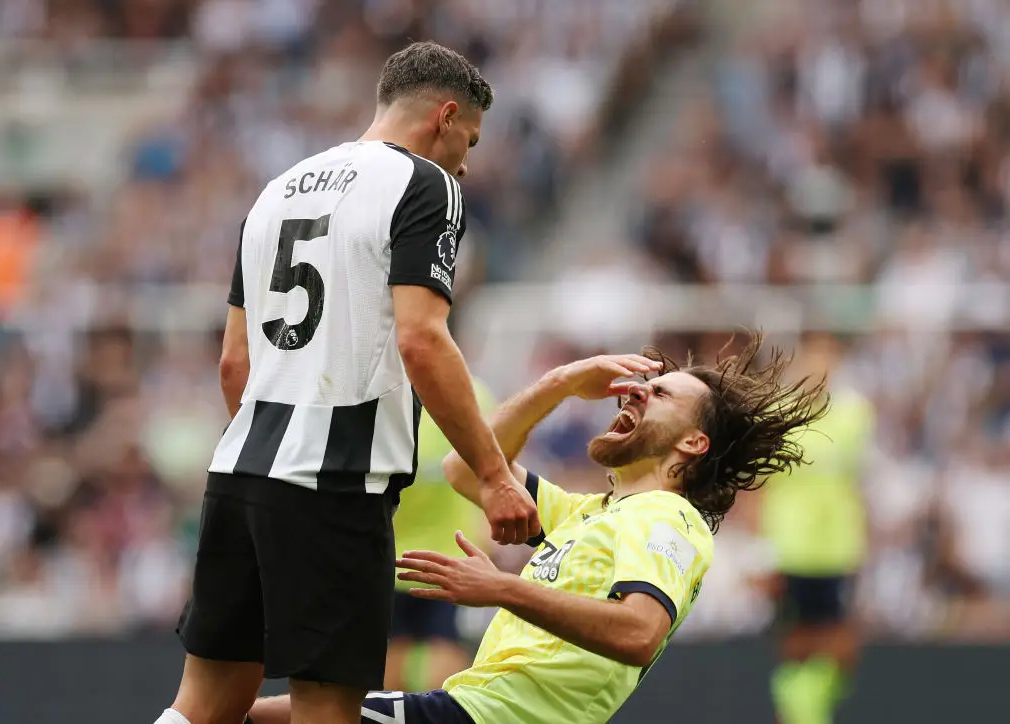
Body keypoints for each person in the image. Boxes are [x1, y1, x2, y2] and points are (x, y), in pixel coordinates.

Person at [153, 41, 540, 724]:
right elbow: (422, 337)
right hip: (335, 483)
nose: (468, 161)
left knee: (204, 705)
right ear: (445, 116)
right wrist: (495, 475)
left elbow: (233, 365)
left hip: (241, 472)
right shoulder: (425, 184)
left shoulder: (277, 190)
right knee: (328, 709)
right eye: (469, 139)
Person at [247, 334, 829, 724]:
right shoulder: (591, 513)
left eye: (660, 394)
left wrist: (501, 588)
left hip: (496, 717)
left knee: (268, 716)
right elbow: (467, 468)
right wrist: (562, 383)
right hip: (473, 706)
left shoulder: (669, 518)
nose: (635, 391)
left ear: (693, 443)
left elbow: (638, 632)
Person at [759, 332, 875, 724]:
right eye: (814, 354)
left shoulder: (855, 413)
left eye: (830, 355)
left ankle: (806, 707)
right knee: (795, 640)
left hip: (839, 545)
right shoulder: (777, 413)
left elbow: (858, 482)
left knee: (842, 642)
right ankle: (797, 713)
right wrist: (761, 546)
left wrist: (865, 540)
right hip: (790, 545)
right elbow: (759, 483)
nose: (821, 364)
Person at [385, 379, 495, 692]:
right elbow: (500, 465)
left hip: (392, 558)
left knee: (393, 651)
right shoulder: (474, 396)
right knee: (445, 648)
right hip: (454, 560)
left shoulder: (382, 394)